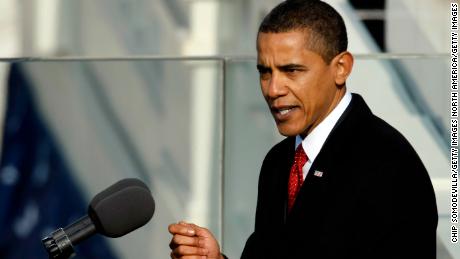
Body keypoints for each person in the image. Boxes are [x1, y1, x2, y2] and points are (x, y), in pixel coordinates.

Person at [168, 0, 438, 258]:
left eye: (292, 70)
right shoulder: (279, 162)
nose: (273, 89)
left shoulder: (388, 166)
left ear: (341, 68)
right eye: (265, 72)